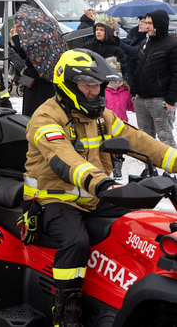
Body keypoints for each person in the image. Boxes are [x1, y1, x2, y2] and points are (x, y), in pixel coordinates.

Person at [23, 49, 177, 326]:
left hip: (93, 197)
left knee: (141, 223)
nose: (94, 91)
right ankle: (65, 312)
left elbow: (138, 140)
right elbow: (64, 159)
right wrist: (101, 183)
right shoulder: (46, 117)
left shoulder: (100, 116)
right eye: (87, 85)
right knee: (76, 241)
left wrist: (176, 161)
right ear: (68, 84)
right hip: (53, 199)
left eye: (98, 85)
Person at [130, 10, 177, 148]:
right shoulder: (145, 43)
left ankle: (171, 169)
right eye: (146, 23)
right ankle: (150, 168)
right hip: (141, 99)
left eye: (150, 23)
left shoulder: (172, 44)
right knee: (145, 138)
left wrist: (170, 100)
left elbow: (176, 75)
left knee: (165, 137)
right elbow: (138, 69)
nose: (147, 26)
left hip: (160, 101)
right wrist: (134, 93)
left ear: (159, 24)